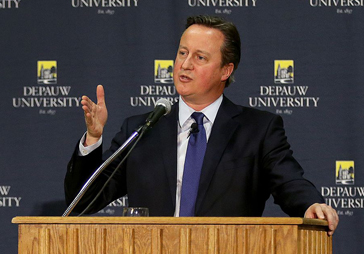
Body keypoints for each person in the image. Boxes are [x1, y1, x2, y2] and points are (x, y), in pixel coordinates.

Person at [65, 15, 338, 235]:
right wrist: (93, 138)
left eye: (200, 57)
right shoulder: (141, 129)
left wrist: (311, 204)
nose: (185, 64)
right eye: (182, 53)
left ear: (225, 70)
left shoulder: (258, 130)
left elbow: (289, 180)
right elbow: (83, 202)